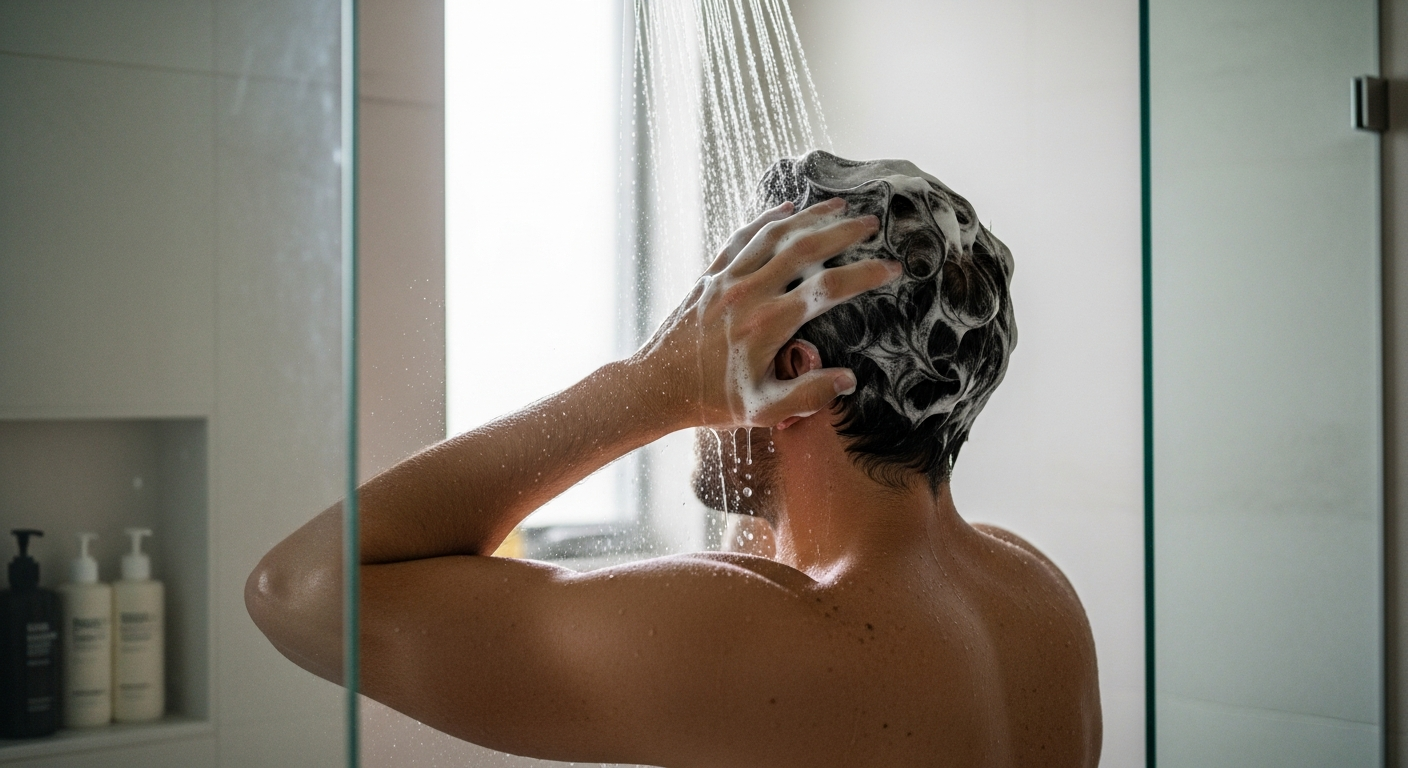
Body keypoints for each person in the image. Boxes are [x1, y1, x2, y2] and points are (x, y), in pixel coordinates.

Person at [246, 152, 1102, 767]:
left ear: (797, 378)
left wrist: (651, 386)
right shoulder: (1036, 599)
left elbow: (301, 587)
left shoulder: (765, 635)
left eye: (710, 322)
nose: (689, 341)